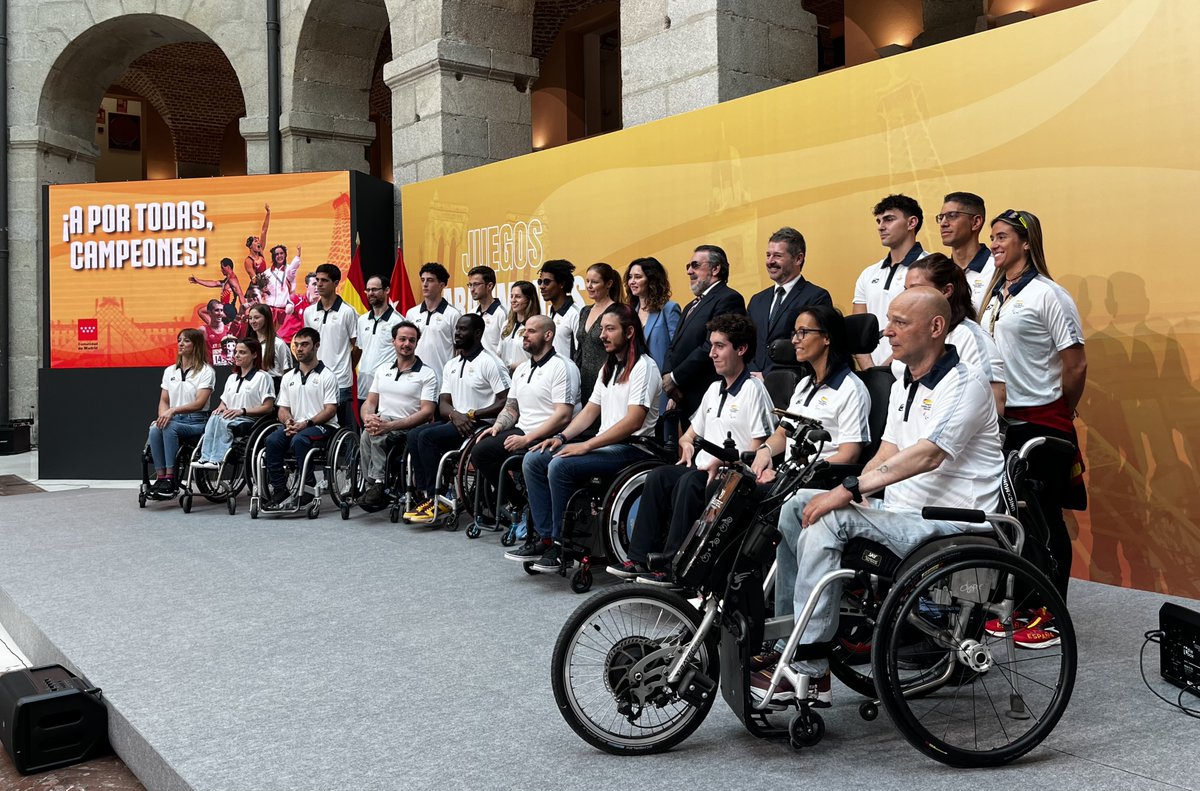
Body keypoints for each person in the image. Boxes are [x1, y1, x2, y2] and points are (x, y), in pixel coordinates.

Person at [758, 288, 1004, 708]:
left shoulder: (966, 385)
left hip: (952, 522)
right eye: (888, 321)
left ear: (936, 327)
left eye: (899, 323)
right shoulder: (905, 379)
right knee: (797, 505)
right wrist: (857, 491)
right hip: (904, 513)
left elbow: (928, 455)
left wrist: (849, 490)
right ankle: (787, 639)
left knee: (830, 517)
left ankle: (812, 668)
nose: (887, 331)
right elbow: (888, 449)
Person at [980, 209, 1087, 620]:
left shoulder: (1048, 294)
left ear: (1027, 242)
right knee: (1011, 517)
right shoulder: (993, 295)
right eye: (993, 236)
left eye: (1003, 236)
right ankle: (1018, 602)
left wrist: (1063, 405)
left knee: (1044, 520)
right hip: (1001, 422)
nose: (994, 243)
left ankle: (1051, 611)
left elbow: (1075, 364)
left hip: (1041, 421)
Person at [612, 314, 774, 585]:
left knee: (688, 482)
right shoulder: (713, 389)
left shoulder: (754, 389)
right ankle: (638, 559)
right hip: (701, 468)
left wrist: (725, 465)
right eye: (711, 346)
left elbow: (758, 449)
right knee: (659, 476)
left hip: (732, 476)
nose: (712, 353)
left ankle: (672, 567)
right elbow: (688, 436)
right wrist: (686, 447)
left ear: (741, 349)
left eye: (720, 346)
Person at [516, 304, 663, 572]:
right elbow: (589, 412)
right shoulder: (610, 367)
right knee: (534, 459)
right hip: (607, 446)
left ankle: (564, 546)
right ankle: (546, 537)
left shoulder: (645, 366)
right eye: (602, 329)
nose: (602, 335)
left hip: (635, 450)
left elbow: (633, 421)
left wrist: (586, 445)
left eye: (610, 329)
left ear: (629, 332)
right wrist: (561, 437)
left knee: (560, 465)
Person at [474, 315, 579, 534]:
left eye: (531, 331)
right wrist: (498, 427)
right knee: (481, 450)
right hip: (523, 429)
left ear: (548, 335)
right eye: (524, 331)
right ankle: (520, 504)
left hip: (551, 434)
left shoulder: (563, 367)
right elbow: (512, 407)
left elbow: (563, 416)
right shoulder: (522, 369)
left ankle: (537, 516)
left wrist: (527, 438)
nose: (525, 335)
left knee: (519, 453)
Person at [402, 314, 511, 522]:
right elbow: (442, 402)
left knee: (427, 437)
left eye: (463, 329)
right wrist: (455, 415)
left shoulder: (490, 362)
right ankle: (428, 495)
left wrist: (471, 415)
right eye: (457, 329)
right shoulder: (451, 364)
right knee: (415, 434)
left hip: (480, 424)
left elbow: (506, 401)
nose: (458, 333)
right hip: (456, 419)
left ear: (477, 333)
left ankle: (440, 496)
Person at [750, 305, 872, 485]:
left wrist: (799, 475)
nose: (794, 340)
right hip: (789, 478)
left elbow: (849, 454)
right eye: (794, 333)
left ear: (827, 337)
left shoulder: (851, 388)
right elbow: (783, 434)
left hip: (818, 481)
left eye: (803, 332)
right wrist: (765, 450)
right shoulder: (804, 384)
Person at [901, 254, 1006, 414]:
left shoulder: (970, 337)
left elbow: (994, 403)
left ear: (947, 291)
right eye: (905, 290)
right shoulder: (912, 334)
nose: (906, 298)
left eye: (916, 289)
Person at [358, 321, 440, 510]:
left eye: (412, 340)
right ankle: (371, 484)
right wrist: (367, 418)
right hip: (382, 422)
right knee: (366, 433)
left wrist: (389, 426)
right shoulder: (382, 370)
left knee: (374, 434)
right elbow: (369, 403)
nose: (407, 344)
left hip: (409, 426)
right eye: (402, 339)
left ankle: (377, 484)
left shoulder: (427, 373)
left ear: (416, 344)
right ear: (393, 341)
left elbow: (427, 412)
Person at [661, 245, 746, 426]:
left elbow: (712, 346)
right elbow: (674, 345)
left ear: (716, 269)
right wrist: (668, 376)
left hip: (706, 393)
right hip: (683, 395)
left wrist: (675, 378)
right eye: (688, 266)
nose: (690, 271)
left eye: (695, 265)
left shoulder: (728, 298)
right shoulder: (690, 305)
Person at [263, 327, 340, 508]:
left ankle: (308, 487)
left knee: (300, 439)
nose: (299, 349)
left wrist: (307, 423)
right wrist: (288, 420)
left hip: (323, 426)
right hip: (296, 425)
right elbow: (283, 408)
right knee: (272, 440)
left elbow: (330, 410)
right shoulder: (289, 376)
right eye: (296, 345)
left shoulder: (327, 376)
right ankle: (280, 490)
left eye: (304, 345)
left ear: (316, 346)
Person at [852, 194, 928, 369]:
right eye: (878, 221)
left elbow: (927, 326)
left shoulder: (931, 268)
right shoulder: (868, 273)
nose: (881, 227)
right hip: (871, 373)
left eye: (888, 219)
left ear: (911, 223)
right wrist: (871, 370)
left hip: (914, 370)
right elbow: (858, 331)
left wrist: (888, 368)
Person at [746, 227, 832, 375]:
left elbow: (814, 348)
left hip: (792, 384)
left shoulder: (816, 297)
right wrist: (751, 374)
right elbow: (746, 342)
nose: (770, 262)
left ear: (798, 258)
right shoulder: (757, 301)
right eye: (768, 255)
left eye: (777, 256)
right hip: (753, 384)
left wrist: (767, 376)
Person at [146, 329, 214, 496]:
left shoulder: (206, 371)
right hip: (175, 419)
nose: (181, 344)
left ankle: (171, 478)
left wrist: (172, 411)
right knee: (155, 428)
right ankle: (161, 478)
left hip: (197, 421)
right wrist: (163, 416)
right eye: (179, 340)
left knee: (170, 427)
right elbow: (164, 400)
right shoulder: (170, 371)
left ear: (196, 345)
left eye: (186, 341)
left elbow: (199, 403)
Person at [192, 338, 276, 468]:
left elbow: (268, 407)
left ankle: (217, 458)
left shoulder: (263, 377)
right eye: (236, 352)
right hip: (231, 416)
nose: (236, 355)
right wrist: (220, 408)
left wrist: (242, 411)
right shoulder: (232, 378)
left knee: (223, 421)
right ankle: (205, 457)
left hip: (250, 419)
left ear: (254, 355)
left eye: (242, 352)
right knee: (214, 417)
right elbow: (223, 403)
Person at [303, 263, 360, 430]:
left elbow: (357, 346)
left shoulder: (348, 312)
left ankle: (350, 457)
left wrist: (347, 367)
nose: (319, 284)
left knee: (344, 427)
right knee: (318, 425)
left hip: (340, 379)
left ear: (336, 283)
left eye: (324, 281)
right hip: (315, 379)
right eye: (317, 280)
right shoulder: (309, 312)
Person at [937, 192, 995, 314]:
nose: (943, 223)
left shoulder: (997, 270)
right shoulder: (939, 272)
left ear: (976, 222)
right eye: (941, 217)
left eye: (952, 216)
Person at [404, 262, 462, 379]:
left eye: (430, 280)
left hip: (442, 381)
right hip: (414, 379)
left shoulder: (453, 314)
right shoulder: (411, 313)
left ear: (441, 285)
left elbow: (459, 351)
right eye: (422, 280)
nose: (425, 284)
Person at [625, 257, 680, 379]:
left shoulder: (669, 309)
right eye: (630, 277)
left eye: (638, 277)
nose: (632, 281)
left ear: (652, 280)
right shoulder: (629, 312)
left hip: (661, 381)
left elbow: (677, 350)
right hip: (634, 379)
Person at [574, 263, 622, 403]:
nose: (589, 286)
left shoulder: (617, 311)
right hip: (584, 384)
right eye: (587, 281)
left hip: (608, 381)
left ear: (609, 284)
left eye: (594, 282)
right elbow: (580, 350)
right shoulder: (585, 311)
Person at [356, 274, 404, 410]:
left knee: (383, 428)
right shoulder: (362, 320)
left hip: (386, 387)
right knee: (364, 428)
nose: (371, 293)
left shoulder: (398, 321)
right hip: (364, 386)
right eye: (368, 290)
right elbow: (361, 350)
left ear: (387, 290)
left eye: (375, 289)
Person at [538, 259, 581, 360]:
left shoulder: (575, 314)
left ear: (561, 284)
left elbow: (580, 354)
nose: (541, 286)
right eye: (540, 282)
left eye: (547, 282)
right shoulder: (550, 313)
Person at [498, 280, 540, 371]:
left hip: (526, 377)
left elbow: (539, 358)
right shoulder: (506, 324)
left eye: (518, 297)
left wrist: (513, 366)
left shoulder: (537, 325)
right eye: (511, 296)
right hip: (506, 378)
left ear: (529, 300)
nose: (513, 300)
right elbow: (499, 352)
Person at [467, 265, 508, 357]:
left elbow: (506, 349)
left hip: (495, 368)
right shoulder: (471, 313)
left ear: (489, 286)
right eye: (470, 285)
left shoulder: (501, 314)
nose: (472, 289)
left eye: (476, 284)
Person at [246, 304, 293, 382]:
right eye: (250, 318)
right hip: (252, 387)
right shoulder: (248, 343)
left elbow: (288, 371)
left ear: (266, 318)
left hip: (274, 386)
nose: (252, 321)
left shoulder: (278, 343)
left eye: (257, 317)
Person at [262, 243, 303, 326]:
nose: (279, 256)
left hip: (284, 310)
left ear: (285, 255)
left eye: (281, 253)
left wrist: (298, 255)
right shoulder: (266, 273)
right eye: (276, 254)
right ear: (273, 256)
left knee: (282, 336)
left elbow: (293, 267)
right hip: (270, 310)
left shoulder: (289, 270)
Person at [278, 271, 317, 344]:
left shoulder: (319, 309)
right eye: (314, 284)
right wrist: (289, 307)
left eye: (319, 285)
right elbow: (289, 303)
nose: (317, 288)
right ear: (307, 286)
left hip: (301, 346)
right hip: (284, 342)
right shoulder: (297, 299)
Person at [198, 299, 235, 365]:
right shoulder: (203, 330)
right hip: (210, 369)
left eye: (221, 310)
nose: (220, 313)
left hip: (226, 368)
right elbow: (196, 351)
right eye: (217, 310)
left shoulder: (229, 329)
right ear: (209, 312)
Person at [243, 204, 271, 282]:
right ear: (251, 246)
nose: (259, 242)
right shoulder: (248, 261)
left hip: (265, 285)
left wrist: (268, 213)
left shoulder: (260, 252)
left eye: (258, 241)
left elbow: (264, 231)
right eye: (256, 241)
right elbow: (254, 279)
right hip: (256, 289)